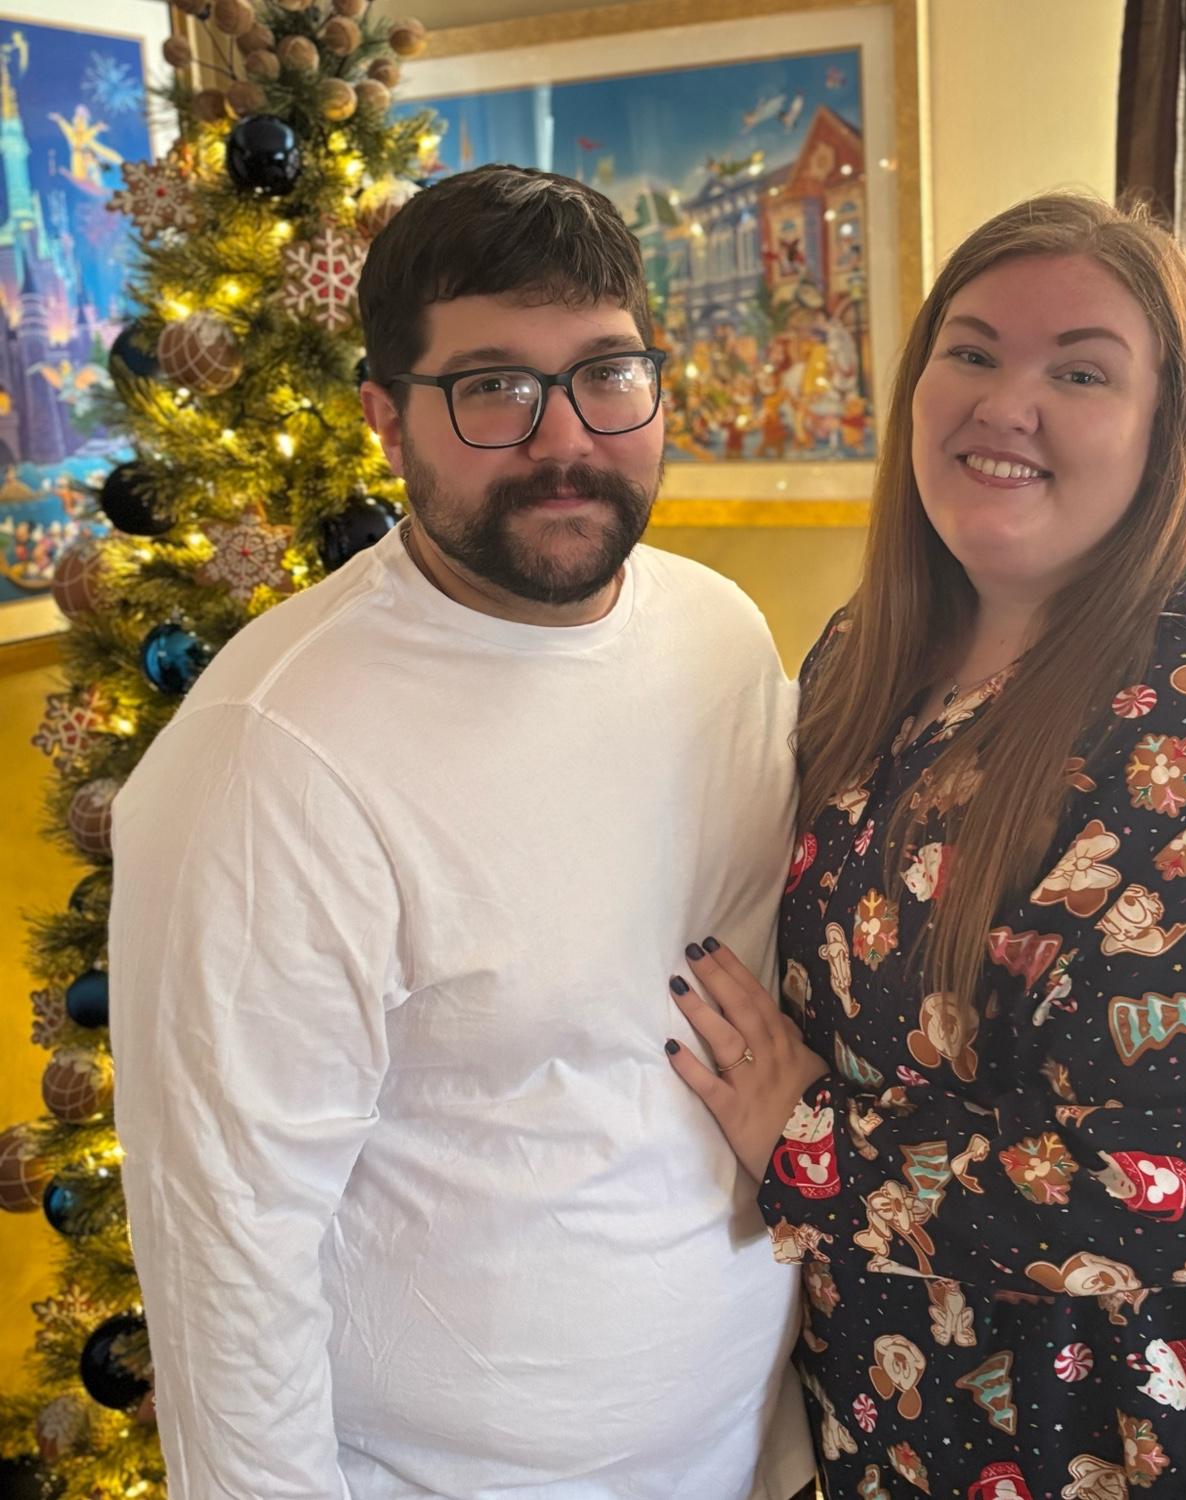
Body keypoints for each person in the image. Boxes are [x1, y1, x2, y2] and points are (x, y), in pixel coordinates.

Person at [667, 194, 1186, 1498]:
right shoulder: (873, 649)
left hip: (1144, 1424)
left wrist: (808, 1138)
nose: (1006, 403)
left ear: (1163, 430)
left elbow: (1183, 1177)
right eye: (971, 351)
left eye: (1080, 372)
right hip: (911, 1391)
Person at [111, 163, 813, 1500]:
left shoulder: (720, 638)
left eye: (608, 374)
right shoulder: (275, 752)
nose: (566, 439)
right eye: (495, 388)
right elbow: (227, 1249)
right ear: (385, 420)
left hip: (744, 1449)